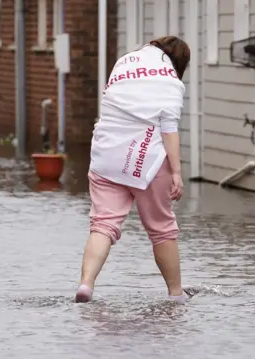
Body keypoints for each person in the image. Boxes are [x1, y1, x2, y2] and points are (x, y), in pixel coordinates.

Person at [75, 36, 191, 304]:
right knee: (162, 229)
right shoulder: (170, 81)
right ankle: (175, 294)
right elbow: (169, 129)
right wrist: (176, 172)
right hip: (146, 161)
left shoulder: (124, 64)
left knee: (103, 225)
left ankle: (86, 284)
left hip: (107, 155)